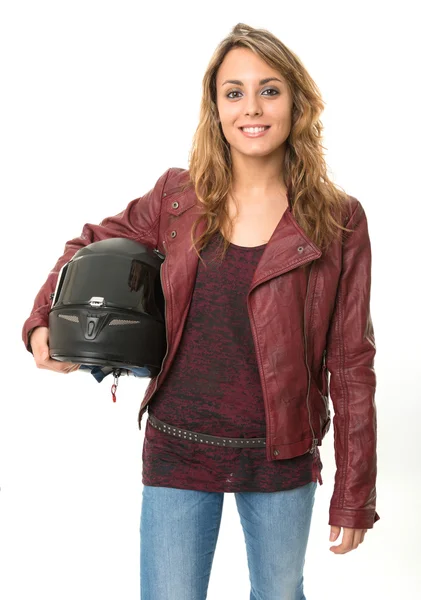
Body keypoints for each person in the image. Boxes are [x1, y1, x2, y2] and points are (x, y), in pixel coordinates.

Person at [22, 22, 380, 600]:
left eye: (269, 89)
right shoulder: (176, 197)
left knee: (280, 595)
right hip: (177, 445)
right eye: (233, 92)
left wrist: (354, 492)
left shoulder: (339, 220)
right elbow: (87, 243)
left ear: (297, 101)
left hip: (280, 453)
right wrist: (44, 320)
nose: (251, 107)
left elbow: (352, 361)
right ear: (215, 108)